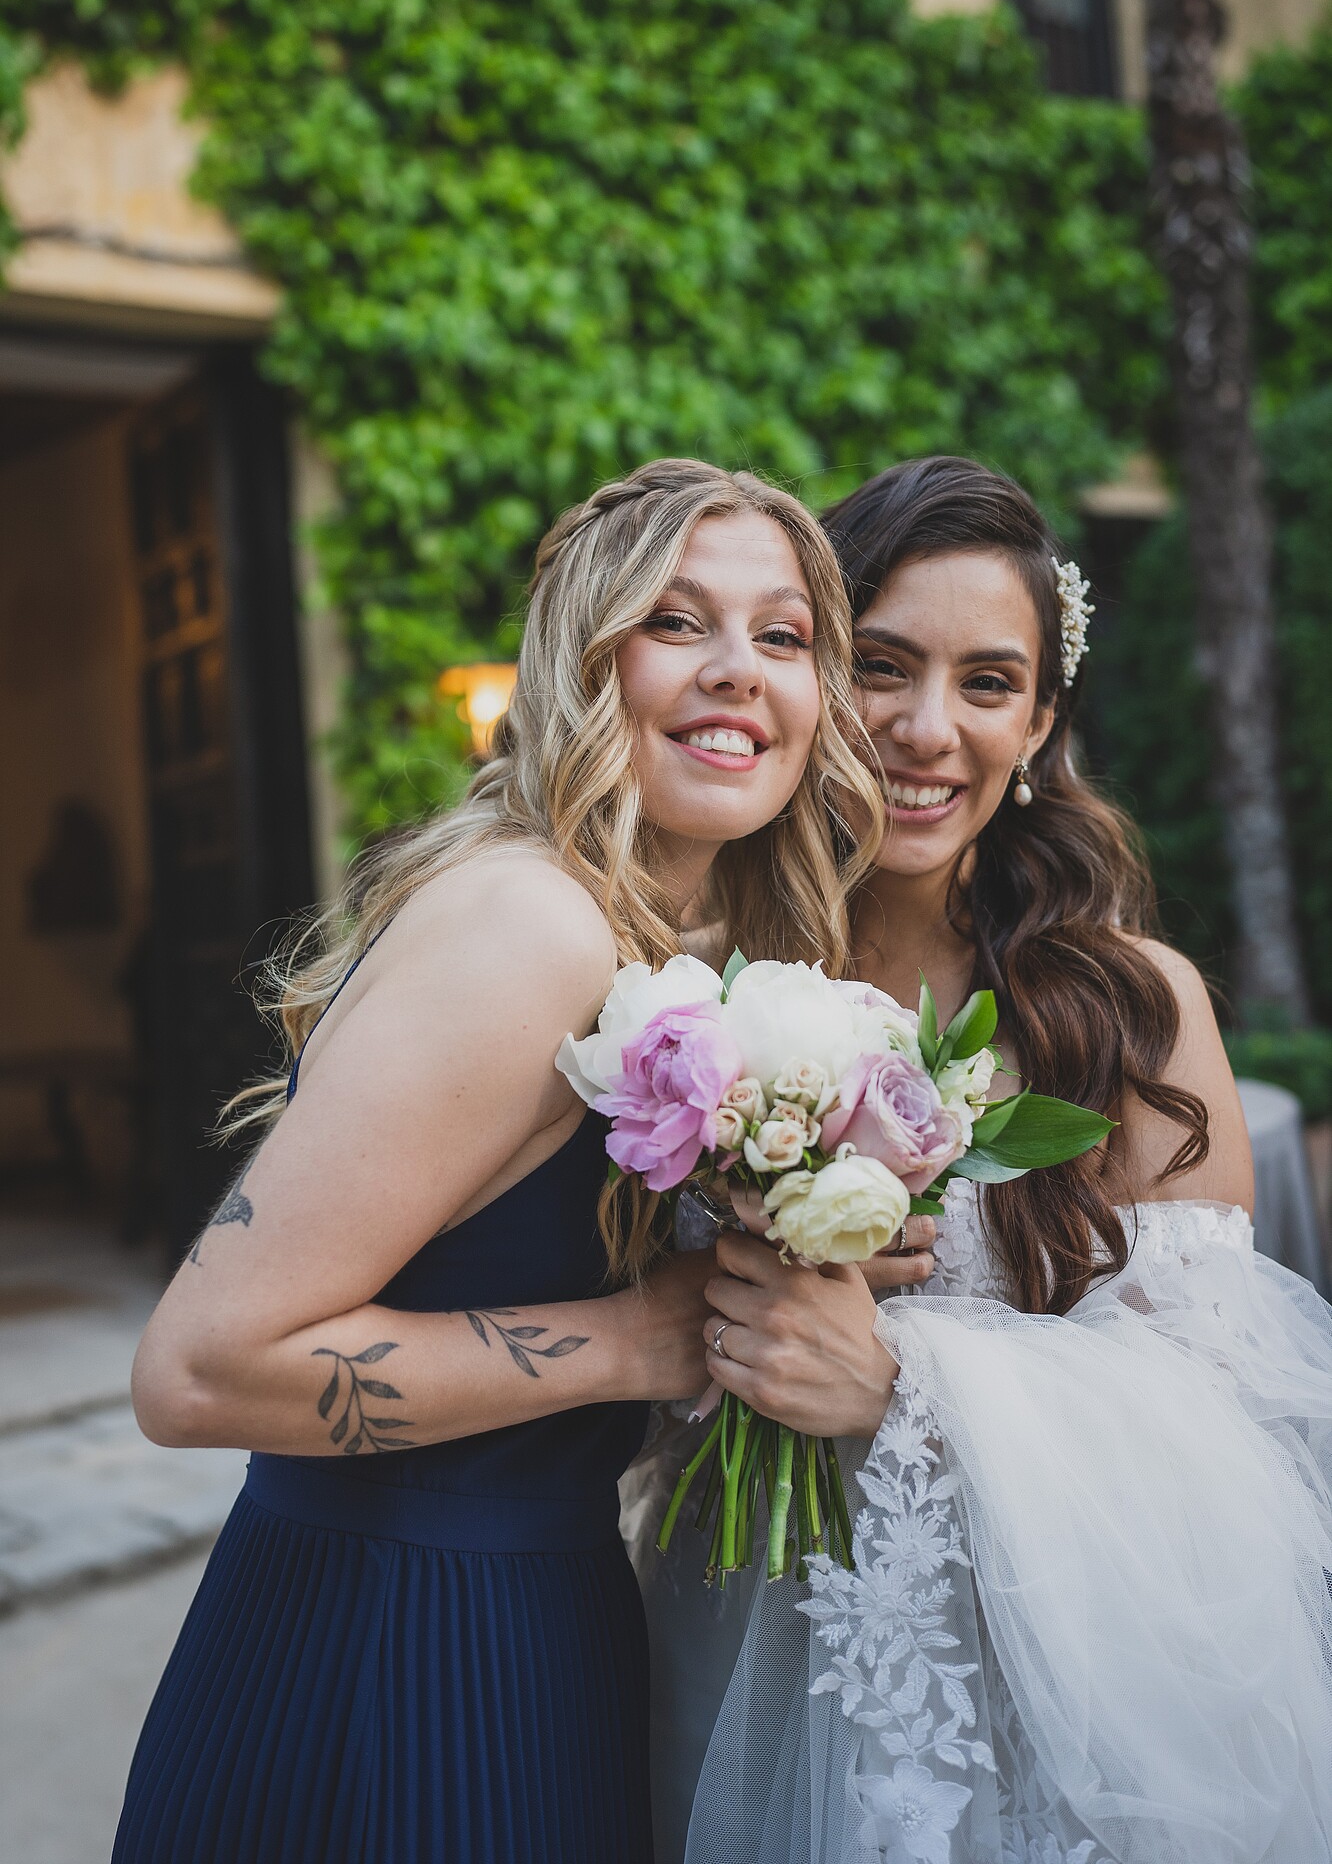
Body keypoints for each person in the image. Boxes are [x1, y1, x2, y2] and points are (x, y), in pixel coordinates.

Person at [111, 457, 886, 1864]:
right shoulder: (530, 924)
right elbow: (196, 1369)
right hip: (386, 1650)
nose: (737, 671)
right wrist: (637, 1344)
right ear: (584, 664)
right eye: (674, 621)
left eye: (782, 636)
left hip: (545, 1609)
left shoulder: (678, 951)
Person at [652, 457, 1332, 1864]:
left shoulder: (1134, 1007)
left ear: (1039, 724)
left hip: (1034, 1688)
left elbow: (1226, 1424)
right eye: (882, 666)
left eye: (986, 683)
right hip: (729, 1635)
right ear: (815, 675)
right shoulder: (680, 1000)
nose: (924, 729)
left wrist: (909, 1385)